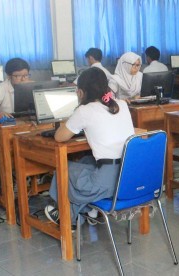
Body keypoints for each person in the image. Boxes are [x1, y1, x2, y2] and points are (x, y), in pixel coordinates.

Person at [44, 67, 135, 227]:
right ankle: (91, 212)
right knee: (86, 160)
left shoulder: (84, 111)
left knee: (63, 169)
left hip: (107, 184)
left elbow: (59, 137)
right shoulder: (121, 104)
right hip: (129, 178)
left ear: (80, 92)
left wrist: (71, 117)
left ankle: (67, 218)